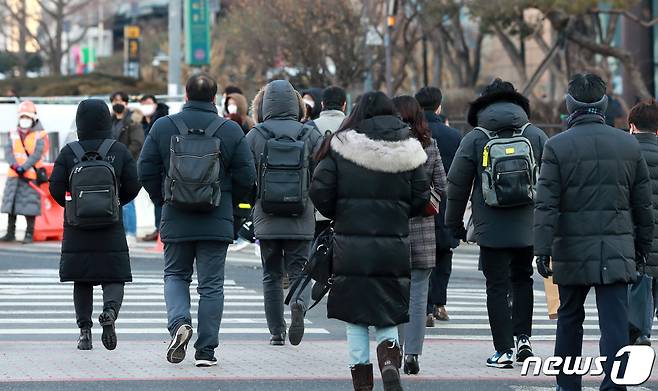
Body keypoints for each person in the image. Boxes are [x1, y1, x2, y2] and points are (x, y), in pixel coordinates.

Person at [534, 73, 654, 391]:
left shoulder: (556, 147)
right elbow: (643, 206)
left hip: (570, 250)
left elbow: (546, 205)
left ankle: (568, 384)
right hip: (616, 248)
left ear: (570, 103)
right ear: (604, 104)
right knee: (615, 322)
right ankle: (616, 384)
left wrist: (542, 249)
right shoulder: (628, 145)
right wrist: (642, 247)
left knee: (569, 319)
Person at [310, 91, 429, 391]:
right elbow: (421, 197)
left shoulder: (340, 145)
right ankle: (389, 361)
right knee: (387, 307)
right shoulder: (409, 148)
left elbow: (320, 190)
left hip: (351, 244)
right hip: (393, 244)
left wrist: (341, 211)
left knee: (355, 316)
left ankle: (362, 381)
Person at [138, 74, 256, 367]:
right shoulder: (229, 130)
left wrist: (162, 197)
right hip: (217, 218)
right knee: (212, 286)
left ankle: (179, 322)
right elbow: (247, 178)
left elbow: (145, 169)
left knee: (176, 275)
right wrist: (236, 212)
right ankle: (206, 352)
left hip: (175, 215)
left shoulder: (164, 127)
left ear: (186, 96)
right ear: (214, 98)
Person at [445, 79, 548, 368]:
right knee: (523, 280)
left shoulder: (476, 137)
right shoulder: (535, 134)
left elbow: (457, 185)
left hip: (491, 228)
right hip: (528, 225)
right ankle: (524, 339)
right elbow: (552, 181)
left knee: (496, 286)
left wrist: (453, 224)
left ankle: (503, 351)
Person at [50, 99, 141, 351]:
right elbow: (134, 185)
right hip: (110, 227)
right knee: (114, 276)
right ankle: (110, 311)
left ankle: (84, 332)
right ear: (105, 120)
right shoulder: (118, 150)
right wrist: (115, 202)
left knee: (82, 279)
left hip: (78, 228)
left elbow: (55, 188)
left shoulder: (69, 152)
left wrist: (74, 207)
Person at [246, 80, 323, 346]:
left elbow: (245, 177)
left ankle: (276, 332)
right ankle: (299, 303)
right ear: (296, 104)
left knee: (271, 275)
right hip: (300, 214)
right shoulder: (309, 134)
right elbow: (324, 173)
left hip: (266, 216)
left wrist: (248, 208)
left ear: (265, 105)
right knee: (301, 269)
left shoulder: (256, 135)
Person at [392, 95, 446, 375]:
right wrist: (426, 200)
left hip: (393, 229)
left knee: (395, 294)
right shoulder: (429, 144)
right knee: (418, 295)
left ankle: (396, 350)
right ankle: (413, 353)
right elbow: (442, 184)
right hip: (423, 228)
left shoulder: (385, 147)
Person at [415, 86, 462, 325]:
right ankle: (440, 304)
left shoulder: (412, 133)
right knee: (444, 255)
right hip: (444, 205)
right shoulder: (453, 136)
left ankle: (424, 307)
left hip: (416, 207)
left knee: (419, 260)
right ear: (439, 106)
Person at [627, 100, 658, 347]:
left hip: (635, 235)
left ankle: (641, 332)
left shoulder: (625, 153)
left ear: (632, 126)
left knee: (639, 284)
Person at [1, 101, 49, 244]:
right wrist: (15, 166)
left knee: (30, 207)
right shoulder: (13, 133)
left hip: (30, 176)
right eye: (22, 116)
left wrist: (25, 167)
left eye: (27, 117)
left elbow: (38, 153)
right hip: (14, 175)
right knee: (11, 205)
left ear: (33, 118)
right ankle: (10, 232)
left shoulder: (40, 135)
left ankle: (29, 234)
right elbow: (8, 151)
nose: (24, 120)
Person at [308, 86, 347, 236]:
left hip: (316, 203)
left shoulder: (309, 128)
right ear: (344, 104)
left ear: (322, 104)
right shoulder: (355, 127)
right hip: (346, 202)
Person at [110, 91, 144, 243]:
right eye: (114, 100)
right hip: (112, 166)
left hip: (128, 165)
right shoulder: (109, 122)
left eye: (120, 100)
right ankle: (120, 231)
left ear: (126, 103)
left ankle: (131, 232)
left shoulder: (133, 121)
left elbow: (137, 143)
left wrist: (122, 157)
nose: (117, 103)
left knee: (128, 200)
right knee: (115, 200)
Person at [139, 94, 170, 242]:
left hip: (160, 167)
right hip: (148, 165)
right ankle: (159, 228)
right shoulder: (142, 122)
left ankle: (161, 229)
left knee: (161, 199)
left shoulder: (161, 122)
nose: (146, 105)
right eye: (143, 103)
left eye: (148, 102)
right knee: (156, 199)